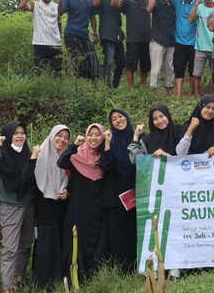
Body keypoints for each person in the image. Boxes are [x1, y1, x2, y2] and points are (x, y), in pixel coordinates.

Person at [0, 121, 35, 293]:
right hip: (10, 205)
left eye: (22, 133)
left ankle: (19, 278)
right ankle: (7, 286)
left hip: (29, 204)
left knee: (25, 244)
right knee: (10, 248)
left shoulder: (28, 152)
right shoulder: (2, 154)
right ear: (8, 135)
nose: (19, 136)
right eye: (16, 133)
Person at [58, 123, 114, 281]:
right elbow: (61, 163)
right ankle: (76, 276)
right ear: (86, 136)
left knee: (96, 238)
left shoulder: (104, 154)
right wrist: (74, 145)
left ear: (102, 136)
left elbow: (108, 167)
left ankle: (94, 275)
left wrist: (108, 144)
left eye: (98, 135)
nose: (93, 138)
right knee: (78, 238)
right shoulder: (77, 154)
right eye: (91, 135)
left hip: (97, 207)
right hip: (78, 207)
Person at [29, 125, 71, 288]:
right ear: (52, 136)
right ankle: (43, 280)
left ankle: (58, 278)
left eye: (66, 137)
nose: (62, 140)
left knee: (59, 241)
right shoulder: (40, 156)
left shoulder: (67, 158)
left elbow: (72, 181)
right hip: (44, 207)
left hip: (60, 207)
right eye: (59, 135)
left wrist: (67, 191)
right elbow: (30, 182)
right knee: (45, 243)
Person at [98, 109, 137, 272]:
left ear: (127, 118)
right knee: (118, 234)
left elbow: (140, 163)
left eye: (120, 116)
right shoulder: (109, 140)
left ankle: (137, 265)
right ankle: (123, 269)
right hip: (115, 196)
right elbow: (106, 166)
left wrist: (135, 139)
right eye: (113, 119)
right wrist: (107, 143)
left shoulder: (138, 137)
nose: (118, 120)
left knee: (134, 230)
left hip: (135, 193)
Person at [111, 0, 151, 89]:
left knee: (145, 66)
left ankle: (143, 86)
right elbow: (114, 3)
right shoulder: (127, 0)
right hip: (132, 40)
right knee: (131, 65)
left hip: (147, 39)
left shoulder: (148, 0)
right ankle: (131, 88)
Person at [58, 0, 99, 78]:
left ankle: (93, 83)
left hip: (84, 34)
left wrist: (95, 34)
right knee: (75, 59)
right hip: (71, 33)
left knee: (91, 58)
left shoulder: (90, 0)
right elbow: (61, 12)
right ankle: (76, 83)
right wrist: (61, 0)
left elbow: (92, 17)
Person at [18, 0, 62, 72]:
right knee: (39, 70)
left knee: (57, 70)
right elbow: (21, 6)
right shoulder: (35, 4)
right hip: (40, 42)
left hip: (55, 43)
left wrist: (60, 37)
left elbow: (59, 22)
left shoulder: (56, 6)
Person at [93, 0, 126, 88]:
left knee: (121, 62)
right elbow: (95, 3)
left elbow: (117, 3)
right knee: (109, 61)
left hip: (117, 34)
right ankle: (108, 86)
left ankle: (115, 86)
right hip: (107, 34)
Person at [147, 0, 176, 95]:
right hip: (157, 39)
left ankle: (169, 88)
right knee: (156, 67)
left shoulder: (173, 4)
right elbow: (149, 9)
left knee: (170, 66)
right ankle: (153, 89)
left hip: (170, 40)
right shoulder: (155, 1)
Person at [188, 0, 214, 97]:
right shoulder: (199, 7)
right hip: (200, 47)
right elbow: (190, 19)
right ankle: (197, 95)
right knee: (197, 74)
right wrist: (196, 4)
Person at [172, 0, 198, 97]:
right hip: (179, 41)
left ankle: (192, 92)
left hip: (193, 42)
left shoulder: (198, 3)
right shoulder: (177, 1)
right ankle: (179, 94)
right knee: (179, 68)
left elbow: (212, 3)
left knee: (192, 69)